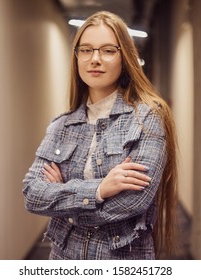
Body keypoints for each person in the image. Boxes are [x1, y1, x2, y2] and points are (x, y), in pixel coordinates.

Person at [22, 11, 178, 260]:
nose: (95, 59)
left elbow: (133, 201)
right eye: (86, 50)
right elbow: (32, 194)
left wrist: (64, 202)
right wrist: (99, 190)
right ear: (77, 58)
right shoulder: (61, 125)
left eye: (107, 50)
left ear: (124, 57)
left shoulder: (147, 118)